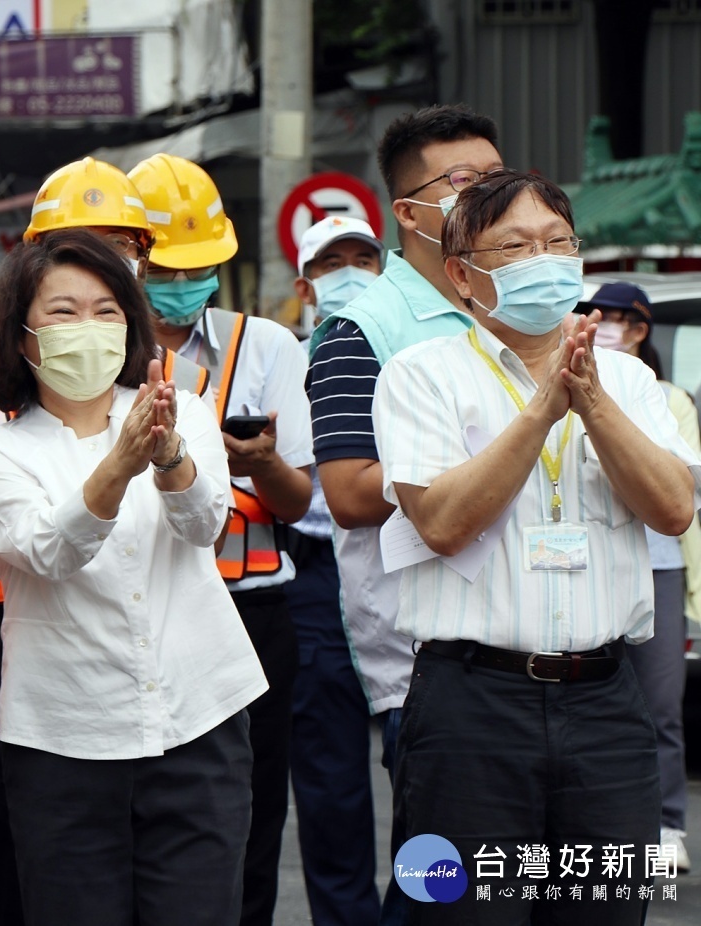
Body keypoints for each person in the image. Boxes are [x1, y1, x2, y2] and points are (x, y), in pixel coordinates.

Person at [376, 169, 700, 923]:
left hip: (607, 706)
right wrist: (539, 413)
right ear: (463, 274)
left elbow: (674, 508)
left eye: (559, 244)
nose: (544, 260)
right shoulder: (420, 375)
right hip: (470, 705)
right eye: (517, 248)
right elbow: (443, 522)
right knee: (460, 910)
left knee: (605, 910)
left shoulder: (625, 377)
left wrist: (589, 399)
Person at [0, 228, 266, 926]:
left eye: (106, 310)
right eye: (63, 312)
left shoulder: (180, 410)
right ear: (22, 334)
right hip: (67, 743)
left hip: (199, 719)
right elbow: (49, 552)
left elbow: (204, 524)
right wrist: (120, 465)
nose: (88, 328)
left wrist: (168, 457)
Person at [0, 156, 159, 926]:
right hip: (20, 633)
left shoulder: (161, 373)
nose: (96, 257)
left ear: (143, 255)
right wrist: (30, 451)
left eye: (117, 242)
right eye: (73, 241)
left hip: (154, 638)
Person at [305, 104, 502, 922]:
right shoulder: (361, 329)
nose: (487, 198)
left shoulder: (513, 305)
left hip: (536, 637)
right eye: (463, 183)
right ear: (409, 210)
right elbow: (349, 494)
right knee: (440, 889)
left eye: (497, 180)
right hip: (428, 660)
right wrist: (485, 467)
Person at [128, 152, 313, 926]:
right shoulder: (95, 351)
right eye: (169, 268)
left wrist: (263, 462)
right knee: (136, 820)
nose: (182, 284)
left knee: (250, 816)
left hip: (250, 612)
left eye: (198, 267)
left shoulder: (266, 347)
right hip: (141, 611)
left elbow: (299, 502)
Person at [581, 280, 700, 873]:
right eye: (593, 315)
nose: (602, 325)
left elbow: (684, 492)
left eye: (615, 318)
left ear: (638, 329)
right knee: (596, 700)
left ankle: (668, 822)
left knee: (661, 701)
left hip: (659, 564)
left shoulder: (663, 394)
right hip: (591, 562)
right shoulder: (562, 387)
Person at [286, 215, 383, 925]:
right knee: (331, 778)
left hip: (397, 564)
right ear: (304, 285)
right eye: (330, 264)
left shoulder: (404, 352)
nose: (348, 273)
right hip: (314, 575)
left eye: (362, 259)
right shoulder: (281, 360)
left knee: (426, 767)